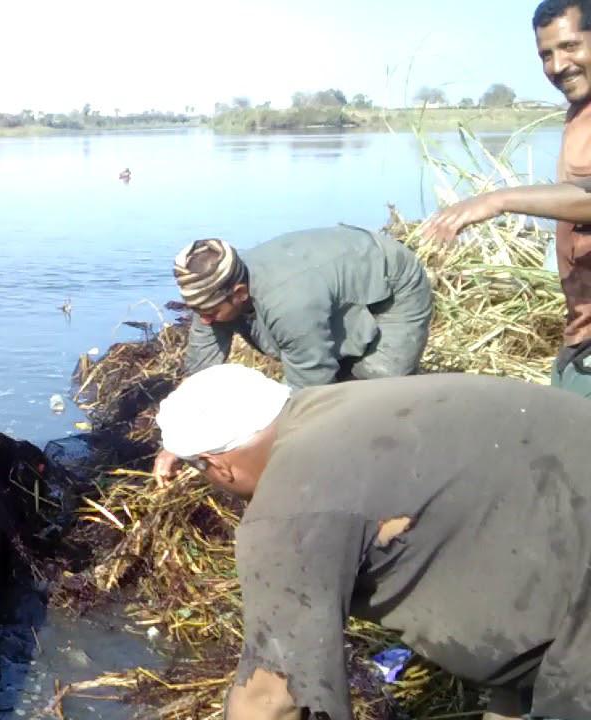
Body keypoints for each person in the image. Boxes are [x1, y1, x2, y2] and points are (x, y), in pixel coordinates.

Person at [154, 364, 591, 720]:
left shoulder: (290, 512)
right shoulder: (342, 403)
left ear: (218, 467)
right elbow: (482, 521)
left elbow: (271, 698)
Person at [423, 0, 591, 398]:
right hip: (579, 334)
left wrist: (498, 200)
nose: (556, 65)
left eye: (570, 47)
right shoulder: (578, 112)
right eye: (545, 54)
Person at [175, 226, 432, 389]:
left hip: (392, 278)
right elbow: (198, 376)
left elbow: (310, 383)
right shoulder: (209, 296)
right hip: (319, 283)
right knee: (337, 379)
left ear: (239, 293)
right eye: (197, 311)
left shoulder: (288, 302)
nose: (204, 320)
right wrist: (177, 442)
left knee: (377, 387)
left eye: (210, 313)